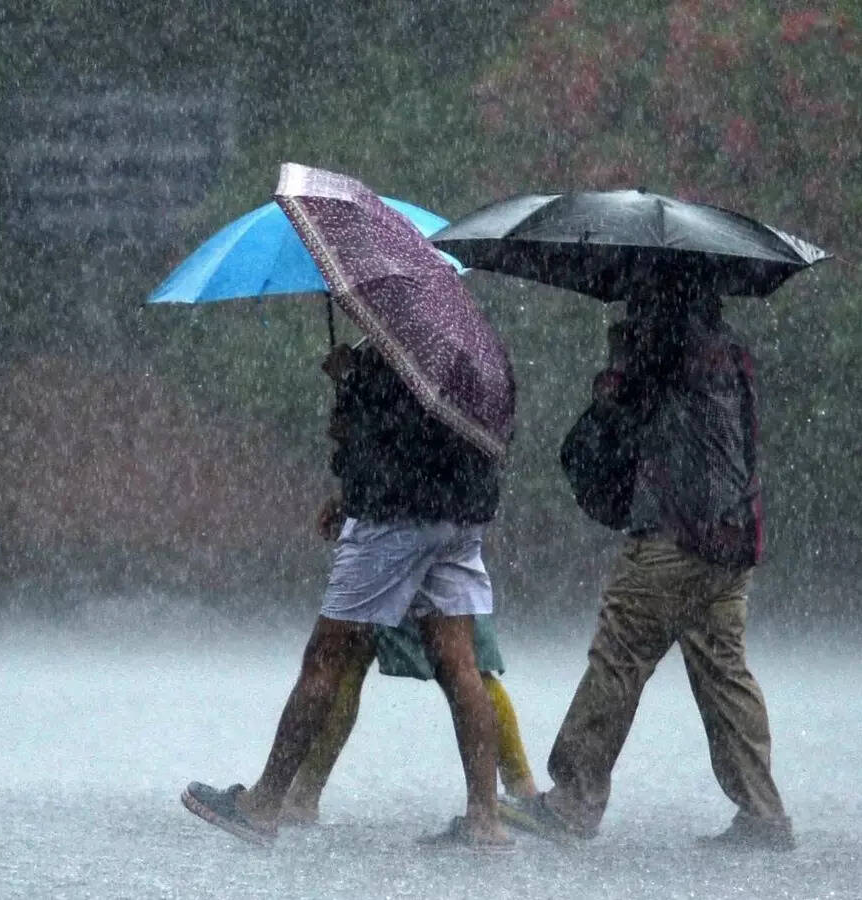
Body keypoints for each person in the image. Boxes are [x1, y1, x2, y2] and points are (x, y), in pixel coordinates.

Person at [181, 342, 512, 849]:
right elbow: (453, 437)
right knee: (460, 663)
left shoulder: (393, 351)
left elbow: (381, 439)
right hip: (462, 514)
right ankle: (485, 819)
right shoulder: (471, 350)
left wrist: (351, 386)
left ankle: (264, 803)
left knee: (327, 656)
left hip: (395, 517)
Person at [501, 287, 794, 850]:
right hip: (734, 537)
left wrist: (620, 362)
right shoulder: (730, 350)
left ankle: (572, 801)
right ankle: (763, 812)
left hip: (673, 536)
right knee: (724, 672)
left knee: (619, 657)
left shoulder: (662, 347)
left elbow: (614, 421)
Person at [277, 610, 539, 827]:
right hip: (444, 569)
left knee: (349, 655)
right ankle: (519, 790)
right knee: (467, 662)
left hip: (388, 569)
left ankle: (303, 796)